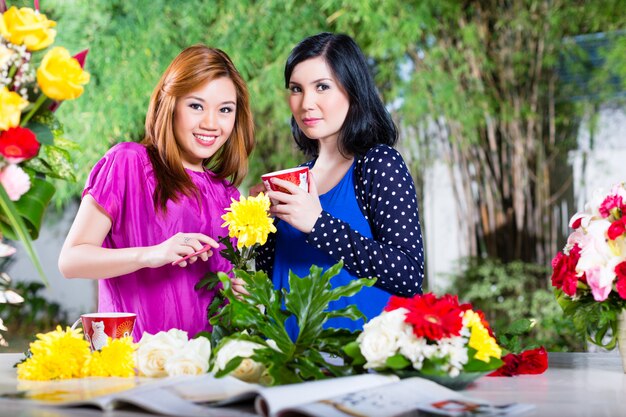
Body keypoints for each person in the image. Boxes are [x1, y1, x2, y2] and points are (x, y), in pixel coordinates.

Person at [58, 45, 255, 341]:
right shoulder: (127, 163)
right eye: (196, 106)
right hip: (134, 363)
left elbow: (218, 297)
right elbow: (71, 261)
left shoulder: (229, 197)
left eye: (225, 109)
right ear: (170, 104)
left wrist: (242, 295)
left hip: (205, 366)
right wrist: (152, 254)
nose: (211, 124)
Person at [254, 32, 425, 338]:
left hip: (364, 365)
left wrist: (318, 225)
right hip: (290, 365)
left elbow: (407, 274)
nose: (307, 103)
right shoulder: (293, 180)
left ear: (353, 90)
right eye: (296, 89)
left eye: (322, 87)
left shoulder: (378, 164)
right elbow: (275, 280)